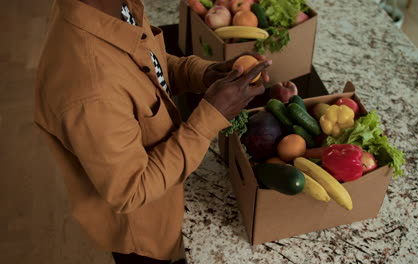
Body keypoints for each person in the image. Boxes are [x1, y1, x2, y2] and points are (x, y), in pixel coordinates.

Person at [34, 0, 271, 263]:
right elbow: (131, 190)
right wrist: (211, 116)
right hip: (143, 234)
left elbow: (146, 65)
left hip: (168, 193)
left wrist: (203, 74)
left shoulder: (111, 9)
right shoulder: (89, 89)